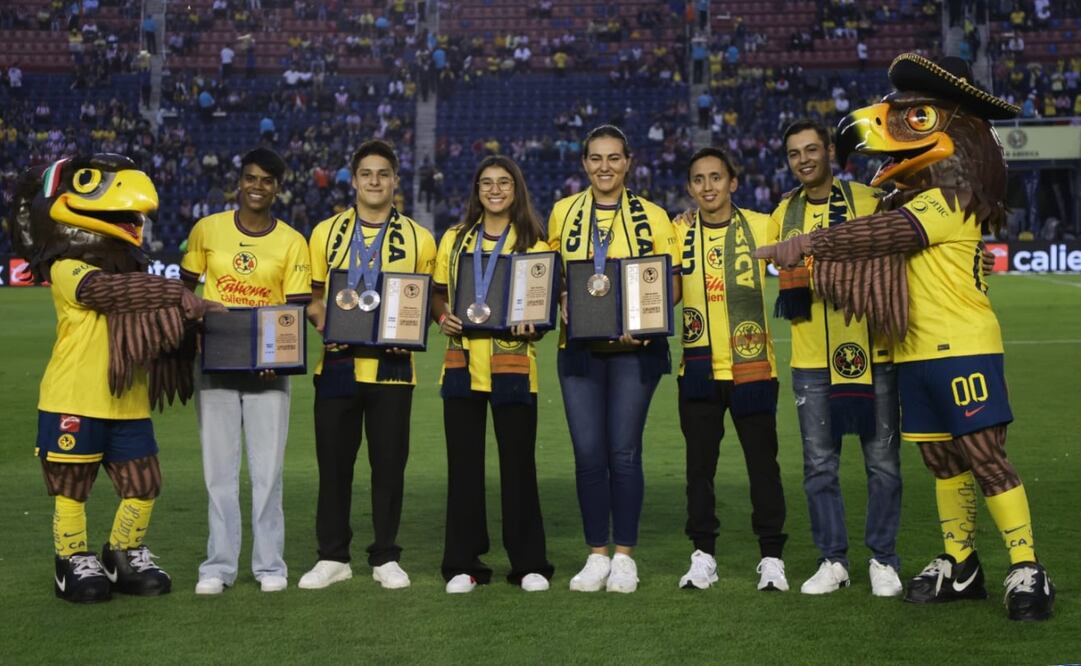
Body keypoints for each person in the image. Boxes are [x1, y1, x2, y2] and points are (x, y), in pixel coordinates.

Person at [758, 53, 1056, 622]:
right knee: (942, 461)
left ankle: (1026, 564)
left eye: (916, 120)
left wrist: (806, 245)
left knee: (985, 456)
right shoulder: (914, 195)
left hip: (962, 345)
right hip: (912, 351)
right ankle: (961, 563)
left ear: (960, 133)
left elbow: (882, 234)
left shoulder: (950, 198)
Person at [769, 120, 903, 597]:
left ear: (829, 151)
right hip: (810, 360)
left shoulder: (869, 201)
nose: (803, 159)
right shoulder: (783, 213)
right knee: (819, 467)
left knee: (883, 464)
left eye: (811, 149)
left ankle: (883, 560)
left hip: (874, 351)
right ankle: (834, 560)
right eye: (793, 153)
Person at [548, 125, 682, 593]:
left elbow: (673, 284)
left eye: (613, 158)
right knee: (588, 455)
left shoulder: (655, 216)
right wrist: (559, 297)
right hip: (580, 352)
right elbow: (552, 279)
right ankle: (595, 556)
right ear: (584, 163)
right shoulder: (563, 213)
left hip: (634, 352)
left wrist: (647, 320)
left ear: (629, 162)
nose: (604, 166)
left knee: (623, 453)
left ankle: (624, 556)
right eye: (595, 158)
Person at [299, 140, 436, 591]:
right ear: (354, 180)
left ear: (395, 180)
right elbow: (315, 300)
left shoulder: (420, 238)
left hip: (392, 369)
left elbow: (426, 302)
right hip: (337, 365)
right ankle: (332, 556)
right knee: (334, 467)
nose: (374, 181)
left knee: (389, 466)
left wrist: (408, 333)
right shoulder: (325, 233)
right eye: (366, 174)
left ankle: (385, 556)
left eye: (383, 174)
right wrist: (328, 326)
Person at [180, 148, 313, 595]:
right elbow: (183, 292)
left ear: (277, 187)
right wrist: (195, 321)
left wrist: (273, 360)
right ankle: (217, 566)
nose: (258, 186)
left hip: (268, 372)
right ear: (239, 181)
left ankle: (270, 565)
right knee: (218, 470)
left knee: (267, 471)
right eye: (250, 178)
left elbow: (292, 310)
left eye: (267, 180)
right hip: (215, 363)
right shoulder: (207, 230)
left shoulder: (292, 241)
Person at [431, 155, 555, 594]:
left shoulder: (535, 242)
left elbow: (543, 310)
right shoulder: (455, 239)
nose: (495, 189)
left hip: (513, 367)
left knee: (519, 466)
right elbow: (438, 295)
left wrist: (533, 324)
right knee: (464, 469)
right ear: (476, 190)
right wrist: (442, 316)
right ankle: (463, 565)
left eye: (504, 182)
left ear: (516, 188)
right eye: (487, 182)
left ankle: (529, 564)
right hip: (462, 367)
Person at [674, 147, 788, 592]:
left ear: (733, 182)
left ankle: (772, 558)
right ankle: (703, 556)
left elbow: (808, 251)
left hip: (753, 370)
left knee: (764, 467)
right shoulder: (676, 231)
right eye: (699, 179)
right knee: (698, 470)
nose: (708, 186)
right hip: (699, 370)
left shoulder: (763, 225)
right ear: (690, 188)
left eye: (716, 178)